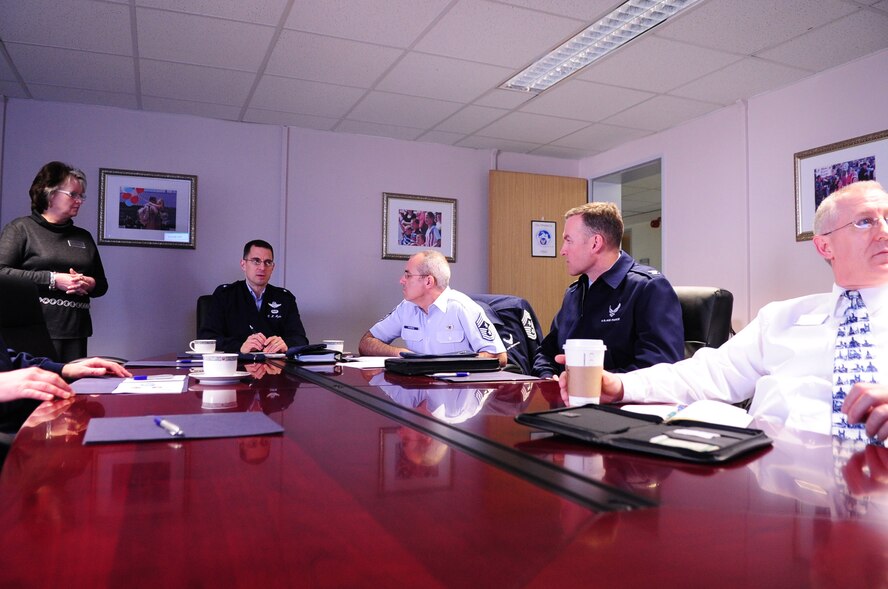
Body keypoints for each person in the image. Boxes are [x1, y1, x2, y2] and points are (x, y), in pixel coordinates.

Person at [558, 181, 888, 444]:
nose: (884, 230)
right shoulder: (781, 318)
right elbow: (707, 374)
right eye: (865, 221)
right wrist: (620, 385)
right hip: (772, 479)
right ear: (824, 246)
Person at [533, 202, 684, 378]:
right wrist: (548, 378)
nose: (562, 251)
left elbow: (661, 369)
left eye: (568, 240)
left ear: (595, 243)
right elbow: (545, 354)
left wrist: (596, 383)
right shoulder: (575, 293)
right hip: (571, 400)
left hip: (621, 404)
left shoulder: (648, 288)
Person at [0, 162, 109, 362]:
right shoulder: (20, 228)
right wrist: (53, 279)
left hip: (77, 331)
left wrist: (89, 283)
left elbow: (102, 285)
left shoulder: (83, 236)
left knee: (73, 391)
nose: (79, 201)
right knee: (40, 390)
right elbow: (2, 273)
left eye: (81, 195)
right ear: (50, 194)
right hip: (33, 330)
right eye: (73, 194)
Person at [358, 250, 507, 365]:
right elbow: (367, 342)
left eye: (408, 275)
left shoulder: (463, 308)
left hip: (457, 396)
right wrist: (400, 353)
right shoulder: (407, 308)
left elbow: (498, 356)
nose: (401, 280)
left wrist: (446, 366)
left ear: (428, 281)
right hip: (418, 392)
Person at [198, 239, 308, 353]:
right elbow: (206, 338)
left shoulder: (285, 298)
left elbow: (300, 339)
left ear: (272, 268)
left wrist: (286, 344)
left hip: (275, 367)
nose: (262, 267)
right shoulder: (225, 295)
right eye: (256, 261)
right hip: (235, 365)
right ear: (243, 265)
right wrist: (240, 347)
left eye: (267, 262)